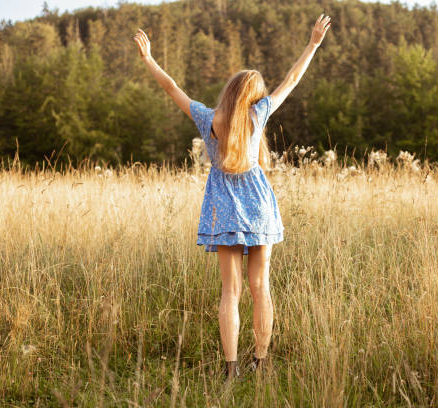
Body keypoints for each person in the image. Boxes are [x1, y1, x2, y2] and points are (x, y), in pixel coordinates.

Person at [133, 13, 331, 382]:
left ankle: (231, 369)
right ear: (252, 96)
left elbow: (171, 87)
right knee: (261, 287)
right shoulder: (259, 114)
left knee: (231, 291)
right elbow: (291, 80)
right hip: (259, 206)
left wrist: (148, 59)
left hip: (222, 209)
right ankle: (261, 360)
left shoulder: (207, 118)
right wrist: (312, 44)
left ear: (228, 92)